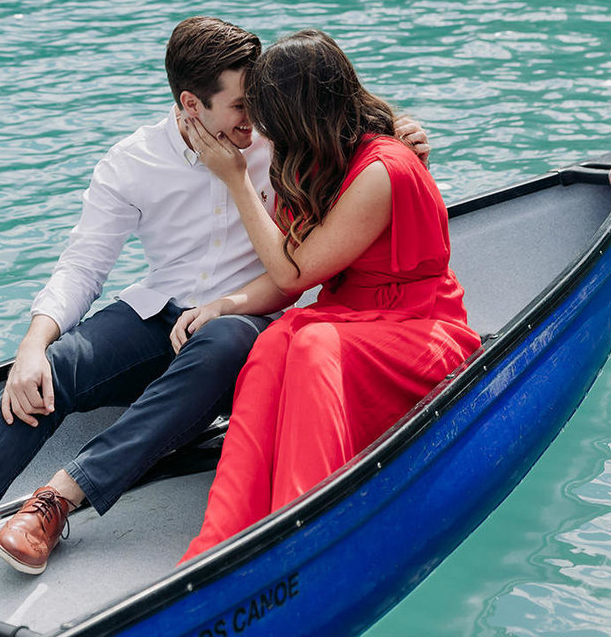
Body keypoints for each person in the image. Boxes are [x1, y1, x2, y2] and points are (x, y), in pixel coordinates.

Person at [0, 17, 430, 589]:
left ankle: (55, 501)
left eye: (260, 103)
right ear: (190, 106)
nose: (256, 119)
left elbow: (343, 133)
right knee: (56, 368)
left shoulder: (277, 143)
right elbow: (83, 266)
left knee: (224, 340)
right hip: (160, 314)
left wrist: (404, 134)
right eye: (242, 106)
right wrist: (31, 345)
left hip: (247, 323)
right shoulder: (133, 161)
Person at [177, 29, 479, 561]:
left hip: (422, 326)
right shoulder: (313, 160)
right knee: (272, 346)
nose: (260, 129)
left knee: (312, 342)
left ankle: (304, 528)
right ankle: (219, 539)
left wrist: (237, 183)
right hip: (352, 317)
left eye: (269, 115)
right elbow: (292, 270)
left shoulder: (383, 169)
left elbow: (296, 274)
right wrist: (226, 303)